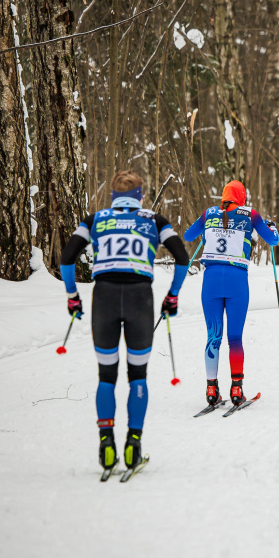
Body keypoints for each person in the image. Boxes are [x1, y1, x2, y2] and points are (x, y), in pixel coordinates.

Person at [60, 170, 189, 473]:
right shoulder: (154, 219)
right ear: (140, 196)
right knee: (138, 376)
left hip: (103, 297)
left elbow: (67, 257)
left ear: (114, 197)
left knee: (106, 376)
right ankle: (134, 446)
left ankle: (106, 446)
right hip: (139, 298)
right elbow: (182, 256)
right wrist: (172, 296)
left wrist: (72, 296)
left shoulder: (95, 219)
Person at [183, 181, 279, 407]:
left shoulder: (209, 213)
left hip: (211, 281)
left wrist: (208, 229)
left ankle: (211, 389)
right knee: (234, 338)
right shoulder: (250, 214)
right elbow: (273, 239)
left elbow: (188, 236)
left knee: (213, 337)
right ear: (242, 197)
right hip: (237, 281)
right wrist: (271, 226)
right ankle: (237, 389)